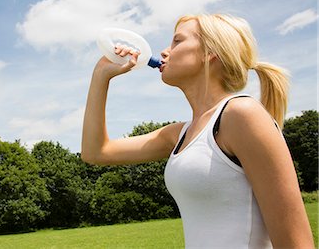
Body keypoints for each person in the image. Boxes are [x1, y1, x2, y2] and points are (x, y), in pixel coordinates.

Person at [81, 14, 314, 248]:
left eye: (177, 41)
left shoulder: (241, 114)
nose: (164, 51)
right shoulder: (178, 134)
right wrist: (101, 76)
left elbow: (296, 243)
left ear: (210, 53)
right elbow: (96, 152)